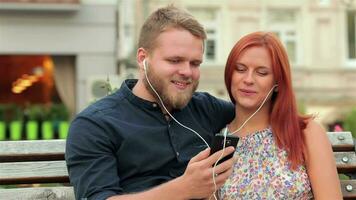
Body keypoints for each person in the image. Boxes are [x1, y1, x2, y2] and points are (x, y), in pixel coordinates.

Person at [65, 5, 236, 200]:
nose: (187, 72)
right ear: (143, 59)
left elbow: (265, 108)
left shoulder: (206, 108)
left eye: (195, 63)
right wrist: (184, 188)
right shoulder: (96, 124)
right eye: (174, 60)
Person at [218, 32, 342, 199]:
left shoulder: (306, 133)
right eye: (240, 69)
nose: (248, 79)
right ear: (229, 75)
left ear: (277, 83)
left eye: (261, 73)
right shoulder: (221, 141)